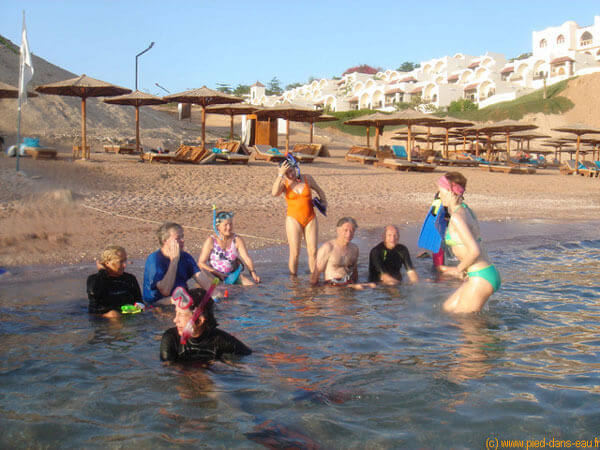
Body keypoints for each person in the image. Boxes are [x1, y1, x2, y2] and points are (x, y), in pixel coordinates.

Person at [436, 172, 501, 313]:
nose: (439, 196)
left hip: (481, 276)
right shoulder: (466, 210)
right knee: (448, 308)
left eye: (441, 192)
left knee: (467, 324)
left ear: (451, 192)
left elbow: (474, 250)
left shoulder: (457, 218)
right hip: (481, 272)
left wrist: (457, 270)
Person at [160, 287, 252, 363]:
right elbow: (169, 372)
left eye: (181, 315)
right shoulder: (171, 338)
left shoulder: (219, 340)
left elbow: (249, 356)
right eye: (176, 313)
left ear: (200, 321)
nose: (175, 320)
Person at [271, 155, 327, 275]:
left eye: (291, 170)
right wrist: (280, 174)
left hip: (310, 218)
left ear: (295, 167)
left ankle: (314, 278)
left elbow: (319, 190)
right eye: (287, 172)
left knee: (313, 252)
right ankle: (294, 280)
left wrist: (324, 202)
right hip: (293, 219)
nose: (290, 174)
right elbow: (274, 193)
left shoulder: (307, 178)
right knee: (295, 252)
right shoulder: (283, 182)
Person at [143, 222, 213, 304]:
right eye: (178, 238)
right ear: (165, 240)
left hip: (182, 298)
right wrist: (174, 261)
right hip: (158, 303)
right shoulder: (155, 260)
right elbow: (165, 291)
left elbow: (204, 282)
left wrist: (218, 296)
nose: (182, 240)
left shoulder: (185, 257)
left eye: (182, 237)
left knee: (202, 296)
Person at [198, 211, 260, 286]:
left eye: (230, 224)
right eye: (226, 225)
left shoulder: (237, 239)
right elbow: (201, 263)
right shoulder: (211, 241)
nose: (229, 227)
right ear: (218, 226)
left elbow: (246, 258)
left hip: (232, 275)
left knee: (251, 285)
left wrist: (253, 272)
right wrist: (216, 273)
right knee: (217, 292)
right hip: (213, 275)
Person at [310, 217, 374, 289]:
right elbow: (316, 274)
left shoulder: (354, 249)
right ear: (338, 230)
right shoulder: (328, 248)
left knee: (373, 286)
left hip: (348, 286)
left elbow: (355, 273)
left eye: (352, 231)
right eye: (345, 230)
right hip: (332, 287)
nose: (349, 234)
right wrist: (313, 294)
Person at [87, 245, 142, 318]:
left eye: (125, 260)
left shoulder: (130, 279)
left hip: (127, 315)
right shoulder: (95, 280)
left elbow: (139, 301)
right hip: (102, 319)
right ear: (107, 263)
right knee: (114, 315)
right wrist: (102, 271)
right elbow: (93, 293)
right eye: (120, 262)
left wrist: (141, 307)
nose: (125, 265)